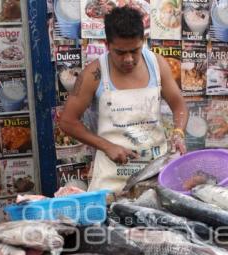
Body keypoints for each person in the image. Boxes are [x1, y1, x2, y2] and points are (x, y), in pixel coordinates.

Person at [59, 6, 188, 193]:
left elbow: (179, 105)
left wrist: (178, 132)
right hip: (111, 179)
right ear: (107, 44)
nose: (128, 59)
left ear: (143, 41)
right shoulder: (94, 73)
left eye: (135, 50)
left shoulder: (157, 65)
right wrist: (106, 146)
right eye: (120, 52)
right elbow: (67, 121)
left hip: (154, 174)